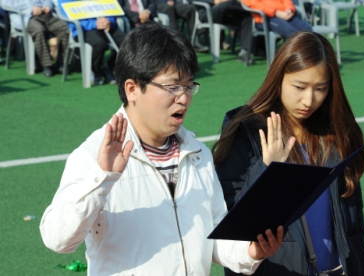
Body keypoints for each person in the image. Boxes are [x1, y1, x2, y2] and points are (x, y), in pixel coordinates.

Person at [39, 22, 284, 275]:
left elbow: (214, 235)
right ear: (132, 89)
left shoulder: (198, 154)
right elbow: (59, 239)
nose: (184, 97)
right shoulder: (95, 155)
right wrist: (103, 178)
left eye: (189, 86)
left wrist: (250, 251)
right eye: (172, 86)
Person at [212, 31, 364, 275]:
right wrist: (267, 169)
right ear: (278, 78)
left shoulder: (339, 132)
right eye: (299, 86)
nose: (309, 99)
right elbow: (230, 223)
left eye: (321, 88)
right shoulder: (246, 131)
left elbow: (355, 227)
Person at [2, 0, 69, 77]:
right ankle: (46, 65)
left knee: (66, 29)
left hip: (45, 15)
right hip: (25, 17)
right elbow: (5, 3)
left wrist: (47, 6)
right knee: (39, 30)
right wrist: (31, 9)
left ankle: (62, 63)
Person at [242, 0, 312, 40]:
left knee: (308, 30)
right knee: (292, 32)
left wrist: (289, 9)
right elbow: (255, 5)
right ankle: (298, 59)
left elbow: (287, 1)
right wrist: (276, 13)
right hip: (266, 18)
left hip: (286, 14)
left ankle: (314, 57)